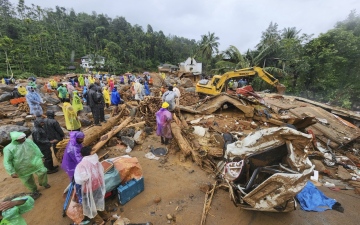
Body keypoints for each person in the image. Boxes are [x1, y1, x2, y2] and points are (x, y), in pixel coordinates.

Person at [3, 132, 50, 198]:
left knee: (43, 171)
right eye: (22, 138)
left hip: (34, 161)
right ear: (15, 139)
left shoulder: (28, 141)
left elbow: (36, 148)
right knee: (27, 180)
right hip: (21, 167)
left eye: (24, 137)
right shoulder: (8, 149)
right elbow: (7, 161)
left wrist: (41, 156)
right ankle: (34, 190)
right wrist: (11, 172)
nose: (24, 139)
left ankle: (44, 183)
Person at [74, 146, 109, 225]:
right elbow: (101, 170)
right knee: (98, 201)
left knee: (89, 205)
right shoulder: (95, 160)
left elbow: (80, 179)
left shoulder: (81, 165)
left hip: (89, 188)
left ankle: (100, 222)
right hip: (98, 185)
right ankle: (106, 216)